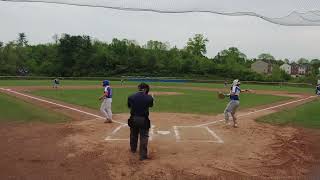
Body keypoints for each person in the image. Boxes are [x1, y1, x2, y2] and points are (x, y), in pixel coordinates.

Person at [127, 83, 154, 161]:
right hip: (143, 119)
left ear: (139, 88)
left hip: (133, 118)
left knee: (133, 134)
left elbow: (129, 106)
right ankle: (142, 155)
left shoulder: (131, 96)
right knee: (144, 137)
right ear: (145, 89)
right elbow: (151, 105)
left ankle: (133, 149)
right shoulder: (149, 97)